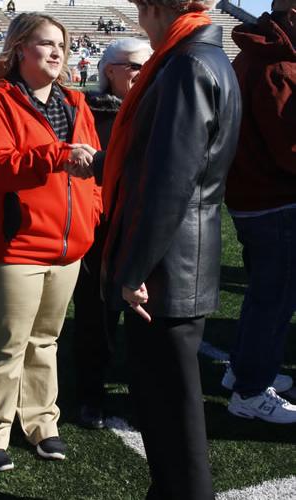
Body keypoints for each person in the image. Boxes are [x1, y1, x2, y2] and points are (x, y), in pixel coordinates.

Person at [70, 0, 241, 498]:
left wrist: (133, 269)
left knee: (172, 412)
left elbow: (170, 181)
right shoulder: (200, 57)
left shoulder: (186, 64)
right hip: (179, 254)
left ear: (152, 9)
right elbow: (159, 162)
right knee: (165, 406)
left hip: (169, 262)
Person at [0, 12, 101, 473]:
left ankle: (43, 423)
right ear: (19, 48)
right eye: (45, 43)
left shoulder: (77, 103)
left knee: (46, 341)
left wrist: (92, 211)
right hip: (12, 246)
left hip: (69, 247)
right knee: (7, 343)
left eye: (61, 44)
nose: (56, 51)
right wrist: (58, 156)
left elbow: (93, 174)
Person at [223, 0, 296, 423]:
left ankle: (242, 371)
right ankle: (251, 390)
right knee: (275, 299)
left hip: (256, 198)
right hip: (276, 200)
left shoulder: (261, 56)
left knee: (264, 295)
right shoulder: (276, 66)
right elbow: (290, 150)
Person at [73, 38, 152, 429]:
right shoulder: (89, 113)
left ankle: (143, 395)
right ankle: (90, 395)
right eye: (135, 66)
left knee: (148, 321)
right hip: (101, 231)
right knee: (95, 319)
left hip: (144, 229)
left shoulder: (155, 109)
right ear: (109, 71)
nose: (143, 73)